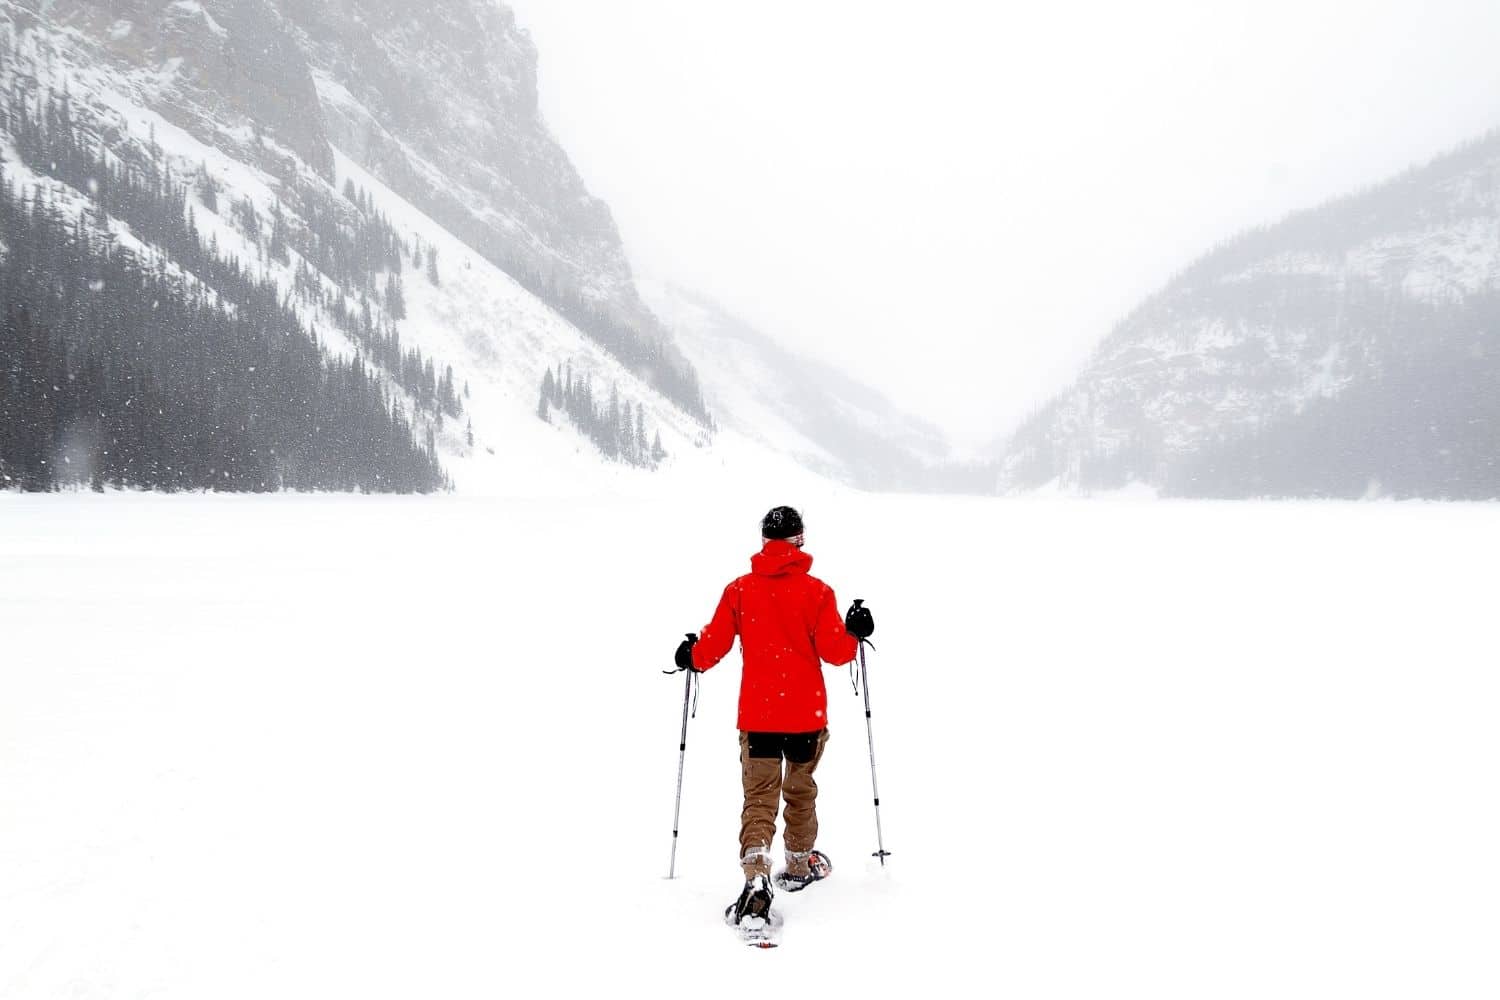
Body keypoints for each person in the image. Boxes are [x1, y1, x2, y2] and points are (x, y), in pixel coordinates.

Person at [673, 505, 875, 927]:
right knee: (800, 792)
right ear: (799, 540)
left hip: (759, 716)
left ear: (765, 541)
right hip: (805, 716)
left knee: (759, 799)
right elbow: (838, 652)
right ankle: (799, 864)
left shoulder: (740, 591)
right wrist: (856, 632)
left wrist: (690, 655)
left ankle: (757, 871)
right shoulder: (817, 592)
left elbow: (712, 648)